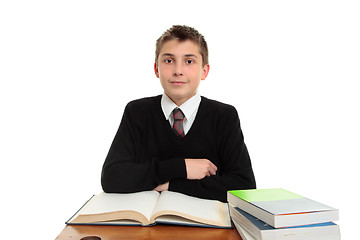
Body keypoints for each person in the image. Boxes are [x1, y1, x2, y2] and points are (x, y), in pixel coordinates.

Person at [101, 25, 256, 202]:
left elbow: (244, 186)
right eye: (169, 61)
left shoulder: (224, 116)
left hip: (206, 225)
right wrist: (182, 167)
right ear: (156, 69)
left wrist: (171, 186)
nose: (178, 70)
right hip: (146, 227)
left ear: (204, 71)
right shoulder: (137, 112)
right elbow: (112, 177)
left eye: (189, 61)